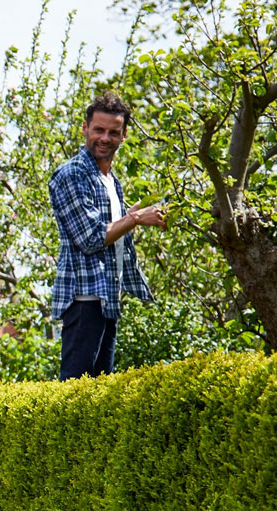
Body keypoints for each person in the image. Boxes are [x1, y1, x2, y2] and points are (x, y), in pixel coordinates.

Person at [49, 91, 168, 380]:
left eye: (113, 132)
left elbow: (113, 233)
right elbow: (90, 238)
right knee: (76, 392)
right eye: (98, 130)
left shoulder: (111, 181)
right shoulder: (71, 174)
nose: (105, 138)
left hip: (107, 298)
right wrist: (136, 218)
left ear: (124, 136)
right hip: (83, 299)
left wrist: (135, 214)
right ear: (85, 129)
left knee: (101, 392)